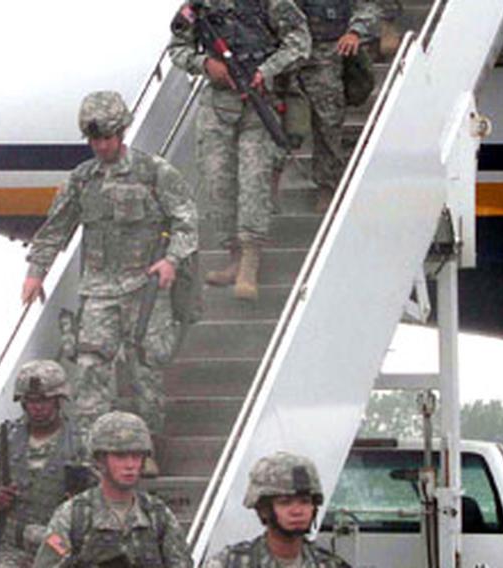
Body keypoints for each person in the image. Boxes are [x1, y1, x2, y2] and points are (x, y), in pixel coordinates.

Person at [20, 91, 198, 443]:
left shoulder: (153, 172)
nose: (101, 146)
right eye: (94, 140)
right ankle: (94, 453)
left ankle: (146, 448)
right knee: (89, 369)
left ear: (121, 133)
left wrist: (171, 260)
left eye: (106, 138)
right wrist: (35, 272)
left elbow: (187, 221)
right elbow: (55, 228)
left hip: (145, 287)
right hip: (99, 291)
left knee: (147, 370)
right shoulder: (83, 180)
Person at [169, 0, 311, 301]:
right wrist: (206, 65)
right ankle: (233, 254)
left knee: (253, 180)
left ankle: (250, 260)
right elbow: (177, 49)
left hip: (259, 103)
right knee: (217, 181)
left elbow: (300, 41)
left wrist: (266, 70)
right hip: (218, 105)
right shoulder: (199, 7)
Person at [0, 360, 91, 568]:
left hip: (61, 549)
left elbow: (102, 492)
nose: (38, 407)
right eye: (31, 401)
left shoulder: (82, 441)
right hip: (12, 548)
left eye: (44, 400)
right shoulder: (2, 438)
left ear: (58, 400)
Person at [33, 411, 192, 568]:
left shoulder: (158, 516)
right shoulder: (73, 516)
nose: (130, 465)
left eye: (136, 456)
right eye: (120, 456)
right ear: (100, 460)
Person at [295, 0, 379, 212]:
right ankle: (269, 191)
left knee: (328, 122)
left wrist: (355, 32)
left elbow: (367, 7)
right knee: (273, 123)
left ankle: (328, 187)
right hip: (283, 55)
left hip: (326, 53)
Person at [202, 451, 350, 568]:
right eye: (285, 503)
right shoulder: (228, 563)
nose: (297, 511)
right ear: (264, 510)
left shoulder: (330, 564)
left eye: (305, 502)